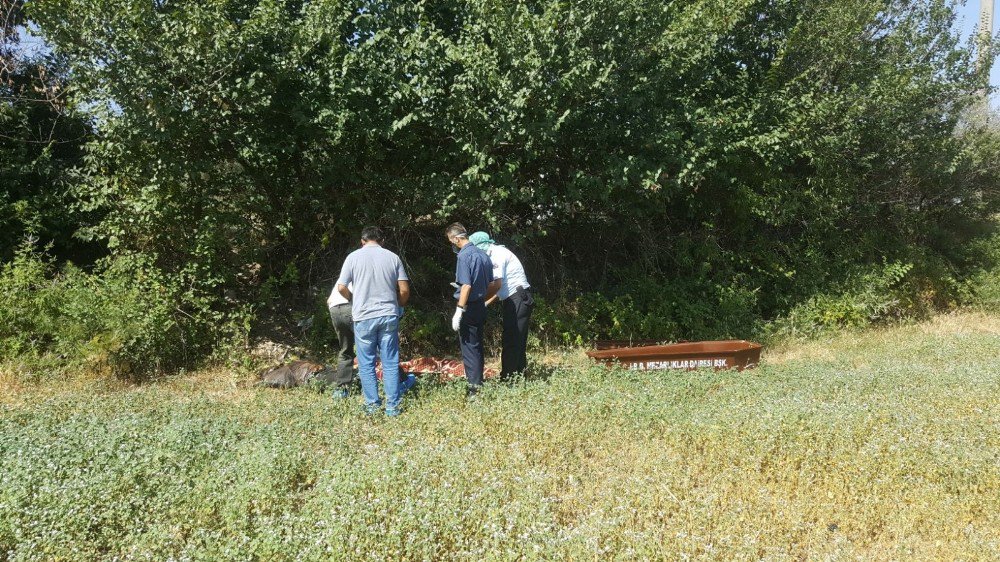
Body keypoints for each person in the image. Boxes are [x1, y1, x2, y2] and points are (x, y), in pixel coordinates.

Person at [336, 226, 414, 416]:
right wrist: (398, 305)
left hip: (363, 316)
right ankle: (393, 407)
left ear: (362, 241)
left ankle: (372, 405)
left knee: (366, 364)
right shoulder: (393, 257)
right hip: (388, 314)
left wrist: (354, 300)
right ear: (382, 240)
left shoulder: (352, 257)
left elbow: (341, 287)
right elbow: (404, 290)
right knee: (389, 361)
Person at [445, 223, 501, 399]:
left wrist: (459, 310)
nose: (451, 244)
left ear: (456, 238)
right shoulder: (483, 255)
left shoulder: (464, 256)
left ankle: (474, 390)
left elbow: (466, 285)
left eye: (451, 241)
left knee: (469, 349)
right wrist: (481, 300)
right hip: (480, 306)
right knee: (477, 347)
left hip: (469, 307)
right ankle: (479, 383)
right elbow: (492, 284)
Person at [469, 232, 534, 379]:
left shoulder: (496, 254)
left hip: (518, 298)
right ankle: (518, 376)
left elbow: (496, 285)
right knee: (516, 340)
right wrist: (485, 303)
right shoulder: (497, 252)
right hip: (516, 298)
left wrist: (476, 300)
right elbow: (501, 290)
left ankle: (508, 378)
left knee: (512, 340)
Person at [326, 281, 355, 398]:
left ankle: (341, 390)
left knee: (345, 349)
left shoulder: (348, 270)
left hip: (334, 308)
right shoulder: (368, 270)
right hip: (349, 305)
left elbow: (328, 300)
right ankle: (400, 381)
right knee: (371, 346)